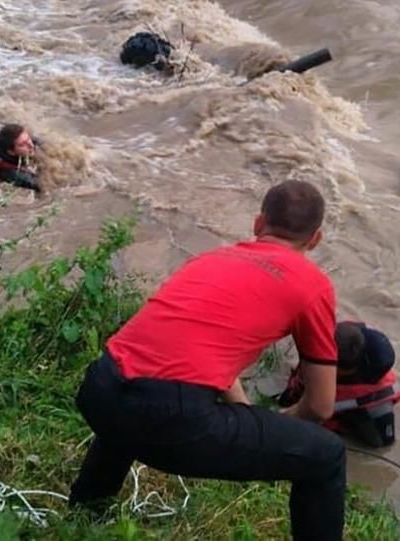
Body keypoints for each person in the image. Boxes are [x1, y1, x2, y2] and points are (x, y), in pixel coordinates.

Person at [68, 179, 345, 541]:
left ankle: (83, 513)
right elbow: (321, 405)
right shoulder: (312, 284)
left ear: (259, 224)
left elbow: (184, 345)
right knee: (326, 456)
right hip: (172, 418)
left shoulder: (212, 259)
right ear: (315, 239)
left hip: (101, 389)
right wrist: (273, 424)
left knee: (135, 394)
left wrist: (245, 415)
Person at [277, 321, 400, 448]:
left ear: (346, 370)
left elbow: (380, 451)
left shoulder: (378, 410)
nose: (319, 363)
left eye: (328, 362)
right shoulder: (339, 336)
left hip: (355, 419)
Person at [0, 123, 41, 193]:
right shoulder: (13, 174)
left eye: (28, 139)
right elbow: (42, 185)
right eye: (23, 144)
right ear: (11, 152)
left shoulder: (24, 142)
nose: (30, 145)